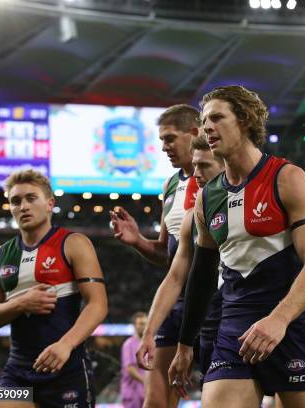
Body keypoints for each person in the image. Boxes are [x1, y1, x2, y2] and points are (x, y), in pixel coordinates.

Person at [168, 85, 305, 408]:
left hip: (290, 324)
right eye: (204, 120)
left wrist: (279, 320)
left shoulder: (287, 178)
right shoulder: (207, 198)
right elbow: (201, 276)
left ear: (243, 120)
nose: (206, 127)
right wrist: (185, 344)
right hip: (235, 326)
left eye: (216, 118)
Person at [0, 169, 107, 408]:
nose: (23, 206)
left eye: (30, 198)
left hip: (67, 368)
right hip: (19, 370)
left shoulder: (74, 244)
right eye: (15, 201)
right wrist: (20, 303)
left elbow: (98, 304)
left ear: (49, 204)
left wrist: (66, 345)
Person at [110, 104, 199, 408]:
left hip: (219, 301)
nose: (164, 147)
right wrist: (137, 241)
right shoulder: (172, 185)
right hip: (177, 300)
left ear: (194, 133)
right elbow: (167, 254)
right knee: (156, 400)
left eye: (170, 138)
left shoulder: (224, 179)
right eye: (161, 140)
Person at [136, 134, 225, 387]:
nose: (195, 174)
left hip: (264, 319)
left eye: (203, 166)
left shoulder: (276, 190)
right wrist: (152, 334)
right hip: (212, 320)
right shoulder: (194, 217)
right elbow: (175, 278)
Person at [122, 312, 148, 408]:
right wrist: (146, 381)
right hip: (132, 394)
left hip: (145, 392)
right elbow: (130, 369)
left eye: (145, 323)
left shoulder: (149, 344)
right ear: (134, 325)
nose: (143, 326)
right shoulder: (128, 344)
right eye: (141, 323)